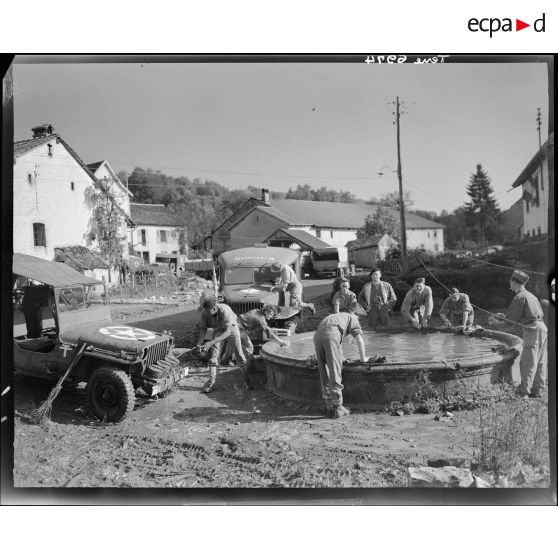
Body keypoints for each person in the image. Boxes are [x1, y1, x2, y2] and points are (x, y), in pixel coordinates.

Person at [489, 270, 548, 400]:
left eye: (510, 282)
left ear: (513, 282)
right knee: (540, 362)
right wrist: (502, 317)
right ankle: (537, 390)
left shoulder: (519, 297)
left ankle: (523, 393)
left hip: (532, 330)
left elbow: (511, 321)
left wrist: (495, 323)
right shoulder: (531, 295)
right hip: (542, 328)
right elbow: (521, 315)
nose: (510, 285)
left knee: (528, 362)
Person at [313, 312, 367, 418]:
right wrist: (363, 359)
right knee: (334, 370)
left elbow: (332, 336)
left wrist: (339, 355)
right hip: (331, 335)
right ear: (357, 315)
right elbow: (359, 340)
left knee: (323, 371)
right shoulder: (353, 318)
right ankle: (338, 407)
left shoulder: (337, 317)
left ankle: (329, 404)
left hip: (317, 336)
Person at [197, 298, 246, 393]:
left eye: (208, 311)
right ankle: (212, 383)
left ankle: (247, 379)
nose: (207, 314)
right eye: (205, 311)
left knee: (239, 353)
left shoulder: (225, 310)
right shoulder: (204, 313)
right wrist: (199, 343)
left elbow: (227, 332)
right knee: (214, 356)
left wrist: (211, 342)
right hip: (218, 330)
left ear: (215, 308)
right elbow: (203, 329)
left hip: (231, 328)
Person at [237, 305, 289, 388]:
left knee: (240, 347)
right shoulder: (260, 318)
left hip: (238, 322)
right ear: (266, 311)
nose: (271, 317)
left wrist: (270, 338)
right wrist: (281, 341)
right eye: (271, 314)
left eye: (273, 315)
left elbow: (266, 332)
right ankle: (249, 369)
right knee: (249, 347)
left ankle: (249, 364)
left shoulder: (257, 311)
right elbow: (268, 332)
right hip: (238, 328)